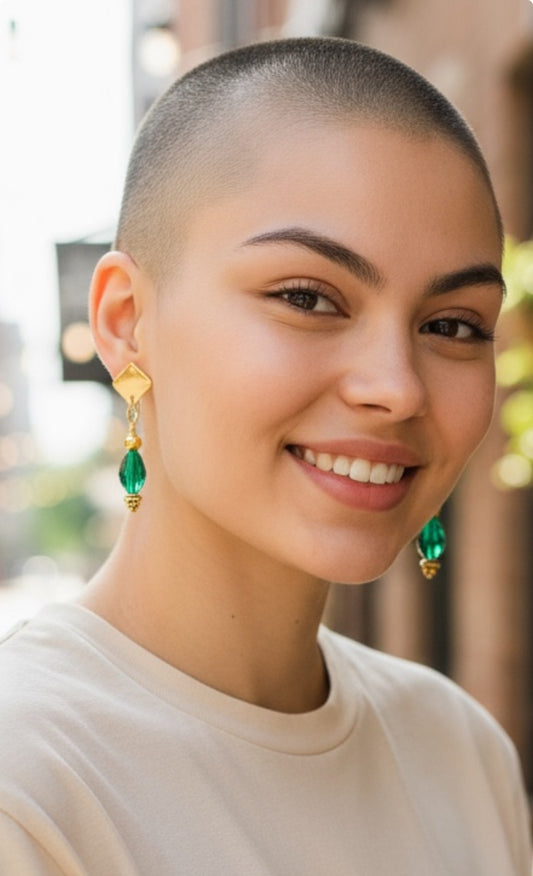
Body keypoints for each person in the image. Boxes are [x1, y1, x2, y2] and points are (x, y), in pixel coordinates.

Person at [0, 37, 530, 875]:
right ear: (125, 323)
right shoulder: (28, 785)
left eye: (451, 325)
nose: (397, 388)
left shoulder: (459, 751)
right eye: (307, 298)